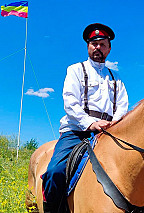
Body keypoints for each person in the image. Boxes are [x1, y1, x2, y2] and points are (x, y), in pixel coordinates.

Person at [41, 23, 128, 212]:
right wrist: (92, 123)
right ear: (88, 46)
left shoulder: (116, 77)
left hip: (109, 131)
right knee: (54, 172)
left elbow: (122, 105)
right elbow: (70, 102)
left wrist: (114, 124)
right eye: (94, 43)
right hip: (77, 131)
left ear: (109, 48)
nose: (98, 47)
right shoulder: (75, 70)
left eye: (102, 44)